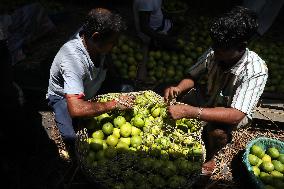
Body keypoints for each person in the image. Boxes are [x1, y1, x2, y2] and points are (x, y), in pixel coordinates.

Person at [164, 6, 268, 176]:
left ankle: (211, 157)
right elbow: (192, 76)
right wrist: (178, 88)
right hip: (209, 96)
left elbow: (235, 114)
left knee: (218, 132)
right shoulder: (215, 51)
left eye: (221, 50)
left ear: (241, 47)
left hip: (231, 109)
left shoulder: (256, 70)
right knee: (165, 93)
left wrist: (189, 111)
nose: (215, 52)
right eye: (214, 47)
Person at [46, 8, 134, 156]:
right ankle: (51, 119)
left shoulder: (93, 37)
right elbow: (76, 108)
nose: (116, 45)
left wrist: (113, 74)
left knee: (128, 88)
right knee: (71, 139)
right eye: (113, 42)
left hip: (92, 84)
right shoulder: (73, 60)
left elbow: (107, 50)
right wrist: (113, 104)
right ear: (96, 37)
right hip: (65, 98)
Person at [133, 0, 179, 85]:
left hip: (161, 26)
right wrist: (163, 39)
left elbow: (156, 8)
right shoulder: (146, 2)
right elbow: (144, 28)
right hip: (151, 33)